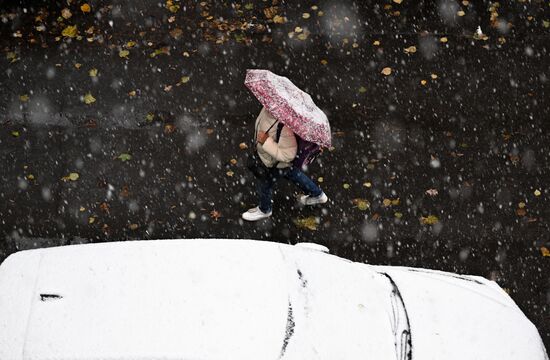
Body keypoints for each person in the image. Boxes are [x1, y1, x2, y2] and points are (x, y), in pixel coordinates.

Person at [242, 107, 328, 221]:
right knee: (293, 173)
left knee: (265, 183)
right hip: (272, 159)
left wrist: (266, 141)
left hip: (275, 163)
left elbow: (288, 155)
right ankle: (317, 194)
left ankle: (264, 209)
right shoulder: (268, 108)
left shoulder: (285, 128)